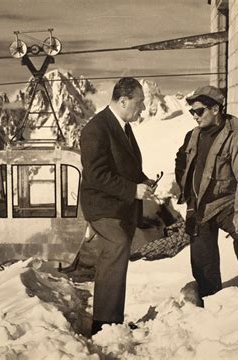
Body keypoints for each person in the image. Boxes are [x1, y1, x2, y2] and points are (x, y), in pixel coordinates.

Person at [175, 85, 238, 303]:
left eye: (199, 112)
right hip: (199, 208)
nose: (195, 117)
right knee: (203, 266)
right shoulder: (192, 136)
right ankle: (211, 303)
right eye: (192, 112)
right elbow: (181, 162)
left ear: (215, 109)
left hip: (227, 204)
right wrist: (188, 194)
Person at [80, 77, 156, 336]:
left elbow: (125, 165)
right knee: (117, 247)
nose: (143, 109)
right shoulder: (96, 129)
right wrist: (133, 190)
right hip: (102, 206)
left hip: (117, 204)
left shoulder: (121, 125)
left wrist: (142, 179)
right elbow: (96, 175)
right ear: (123, 101)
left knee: (116, 255)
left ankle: (110, 320)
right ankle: (104, 325)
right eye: (140, 103)